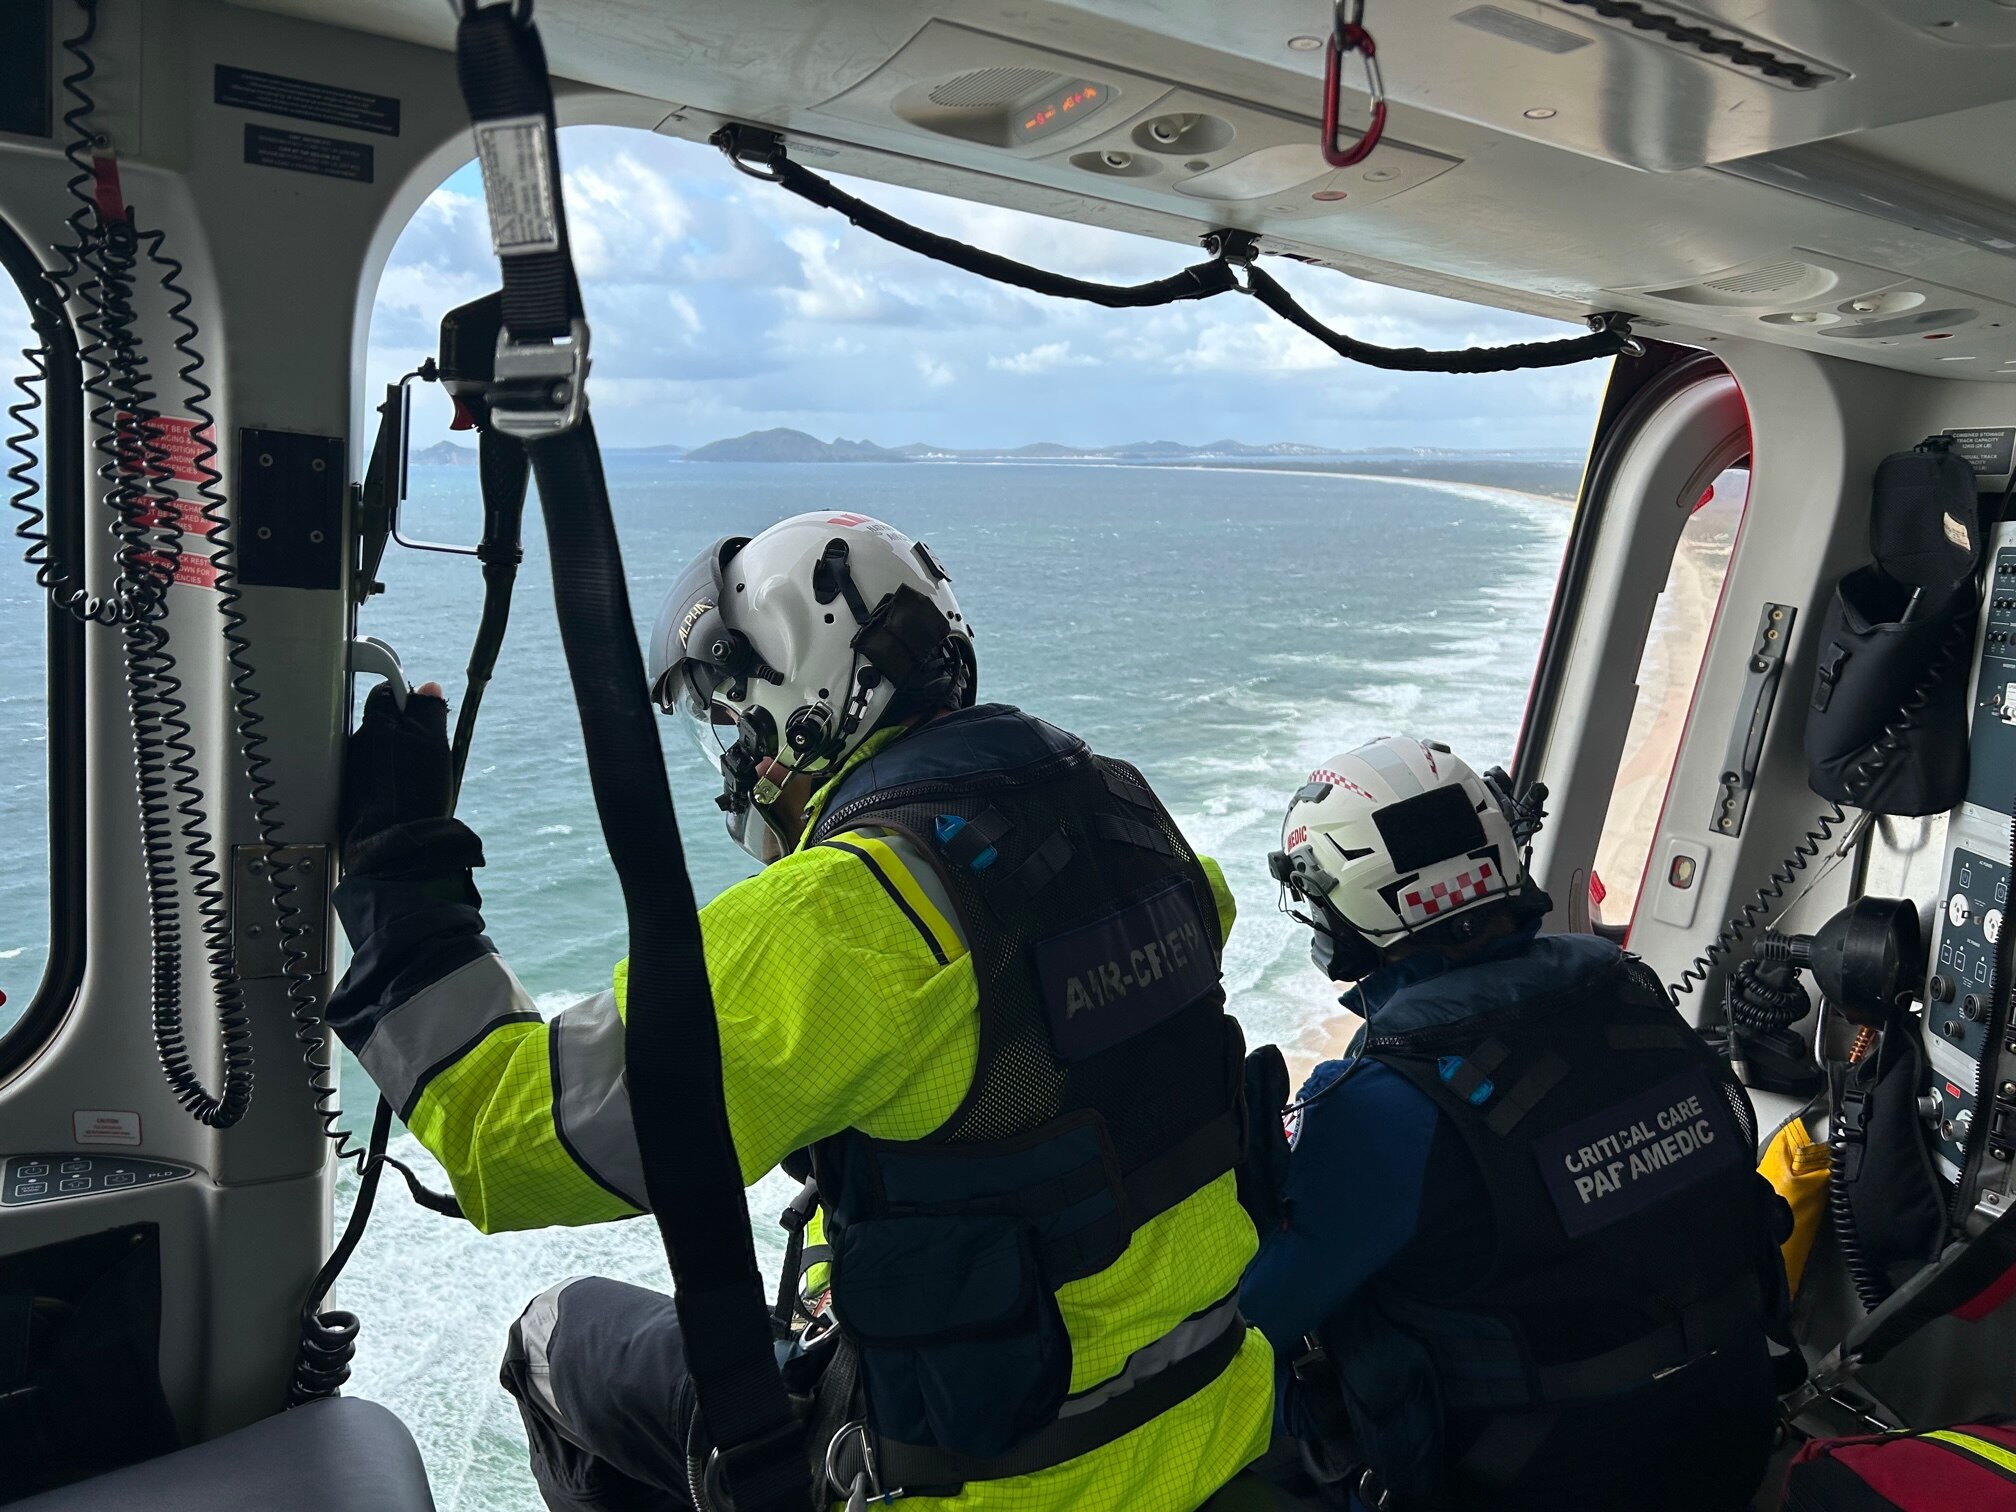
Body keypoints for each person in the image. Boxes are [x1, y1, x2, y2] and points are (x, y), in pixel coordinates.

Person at [327, 512, 1272, 1512]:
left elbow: (507, 1139)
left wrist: (398, 875)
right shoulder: (1136, 823)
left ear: (802, 712)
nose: (732, 760)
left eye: (732, 723)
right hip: (1216, 1419)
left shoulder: (846, 915)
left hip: (1001, 1488)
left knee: (555, 1334)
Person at [1239, 737, 1793, 1512]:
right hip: (1730, 1435)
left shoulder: (1378, 1102)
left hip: (1529, 1478)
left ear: (1347, 905)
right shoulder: (1631, 994)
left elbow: (1259, 1314)